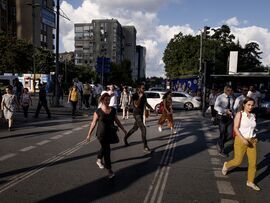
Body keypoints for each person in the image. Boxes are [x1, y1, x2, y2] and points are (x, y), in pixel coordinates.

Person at [222, 97, 260, 191]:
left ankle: (250, 181)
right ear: (244, 104)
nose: (250, 107)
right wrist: (243, 139)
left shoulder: (253, 115)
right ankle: (226, 165)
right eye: (248, 105)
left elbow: (252, 127)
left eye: (252, 105)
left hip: (252, 141)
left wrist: (254, 134)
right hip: (240, 140)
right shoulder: (240, 114)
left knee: (253, 163)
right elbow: (235, 128)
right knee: (238, 161)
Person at [86, 93, 127, 179]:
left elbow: (117, 121)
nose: (107, 101)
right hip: (101, 134)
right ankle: (109, 170)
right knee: (107, 151)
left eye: (109, 100)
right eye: (106, 100)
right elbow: (93, 123)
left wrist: (123, 129)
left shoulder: (113, 110)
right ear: (102, 100)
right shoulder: (98, 111)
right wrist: (89, 134)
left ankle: (98, 159)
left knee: (104, 148)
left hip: (110, 133)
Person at [124, 83, 154, 153]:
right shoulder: (135, 95)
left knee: (135, 128)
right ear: (139, 89)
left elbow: (146, 103)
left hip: (140, 113)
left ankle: (125, 138)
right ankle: (145, 147)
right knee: (143, 128)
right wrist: (140, 97)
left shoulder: (144, 95)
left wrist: (152, 109)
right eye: (143, 88)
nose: (144, 89)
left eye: (144, 88)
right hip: (136, 113)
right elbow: (136, 105)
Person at [214, 85, 234, 157]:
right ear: (225, 90)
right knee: (222, 134)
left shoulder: (231, 97)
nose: (230, 92)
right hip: (222, 117)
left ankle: (220, 143)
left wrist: (232, 114)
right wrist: (225, 111)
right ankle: (221, 150)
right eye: (228, 90)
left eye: (231, 90)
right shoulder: (220, 97)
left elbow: (232, 108)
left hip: (229, 118)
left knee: (230, 134)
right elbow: (216, 106)